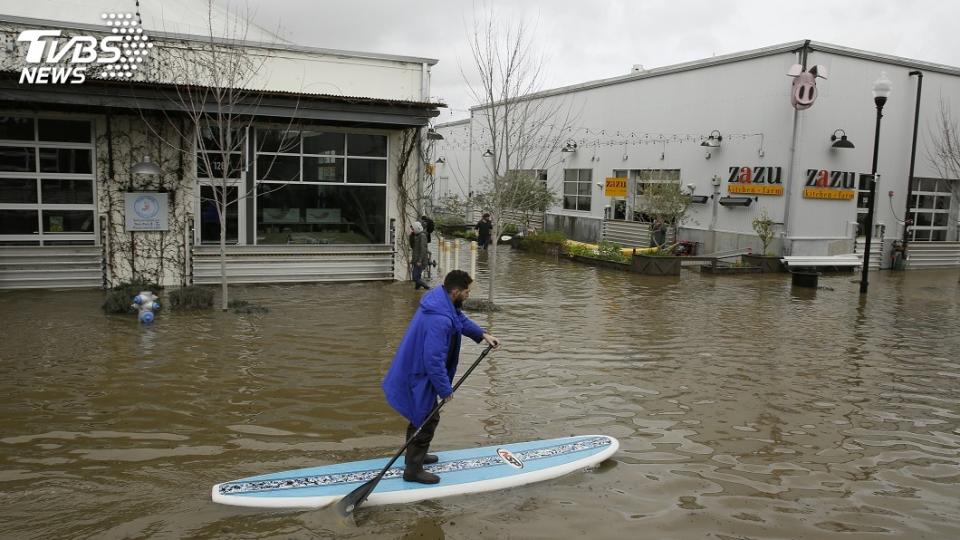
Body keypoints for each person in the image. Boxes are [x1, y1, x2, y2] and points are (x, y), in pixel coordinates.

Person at [382, 270, 501, 484]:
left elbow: (459, 320)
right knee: (427, 418)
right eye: (466, 291)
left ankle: (415, 456)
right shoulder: (439, 320)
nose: (468, 294)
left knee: (420, 415)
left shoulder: (441, 301)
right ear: (455, 291)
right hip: (419, 373)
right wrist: (445, 390)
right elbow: (433, 360)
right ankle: (413, 470)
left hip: (418, 370)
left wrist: (482, 334)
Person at [410, 221, 430, 290]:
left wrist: (419, 261)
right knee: (417, 278)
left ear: (416, 228)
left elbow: (423, 249)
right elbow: (413, 247)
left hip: (420, 261)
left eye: (413, 229)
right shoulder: (417, 236)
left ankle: (428, 288)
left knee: (415, 277)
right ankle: (416, 293)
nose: (412, 230)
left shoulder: (422, 236)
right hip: (417, 260)